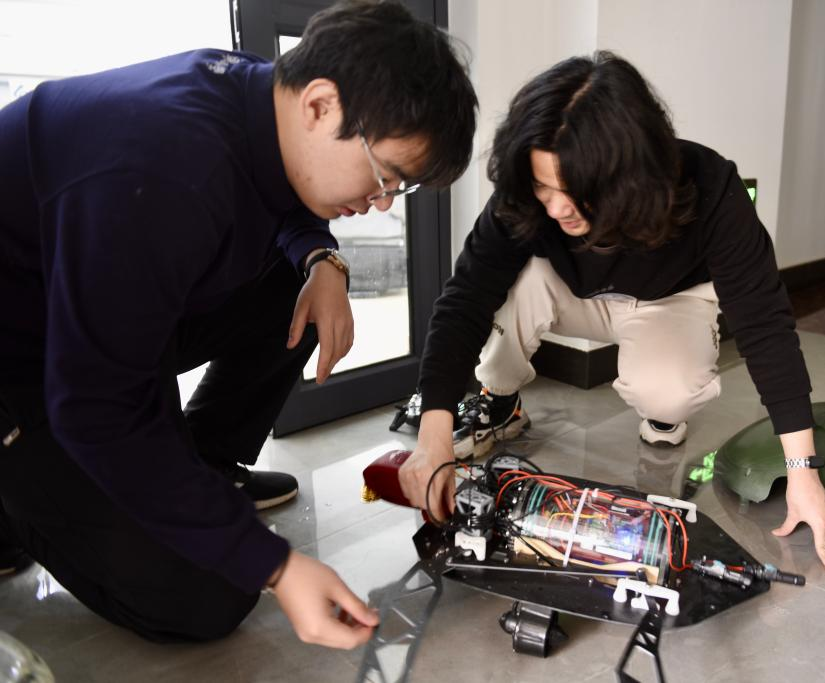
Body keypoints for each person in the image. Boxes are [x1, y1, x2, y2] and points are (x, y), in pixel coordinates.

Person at [0, 1, 476, 648]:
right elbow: (96, 405)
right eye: (385, 175)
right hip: (26, 367)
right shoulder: (164, 168)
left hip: (88, 314)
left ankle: (203, 464)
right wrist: (275, 566)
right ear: (320, 105)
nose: (381, 202)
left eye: (400, 188)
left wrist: (323, 260)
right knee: (211, 593)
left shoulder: (255, 94)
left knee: (296, 289)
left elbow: (281, 191)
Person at [399, 52, 825, 572]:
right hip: (569, 293)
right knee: (514, 282)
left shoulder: (713, 188)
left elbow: (765, 325)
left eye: (574, 191)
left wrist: (802, 471)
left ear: (629, 175)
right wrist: (433, 437)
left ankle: (662, 412)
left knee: (668, 390)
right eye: (542, 186)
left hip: (669, 300)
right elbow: (464, 299)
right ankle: (500, 400)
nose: (555, 207)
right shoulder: (528, 197)